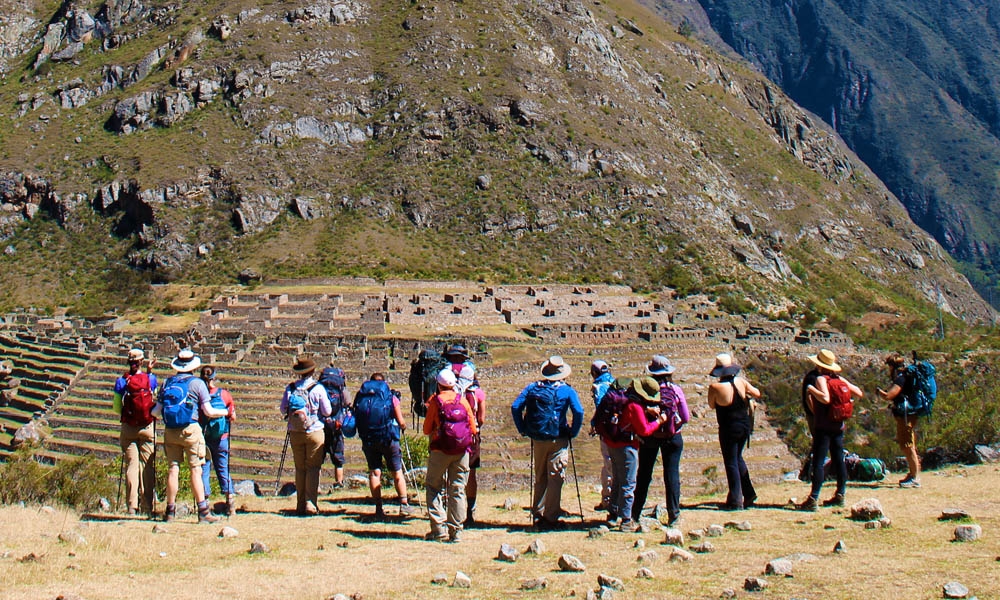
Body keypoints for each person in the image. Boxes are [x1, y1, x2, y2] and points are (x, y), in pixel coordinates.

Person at [511, 355, 584, 529]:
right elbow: (579, 412)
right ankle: (551, 517)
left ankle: (537, 513)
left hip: (538, 439)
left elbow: (515, 407)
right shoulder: (567, 390)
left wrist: (523, 429)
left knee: (540, 476)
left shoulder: (532, 387)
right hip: (558, 438)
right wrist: (572, 433)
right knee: (556, 477)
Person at [594, 376, 676, 532]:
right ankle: (626, 520)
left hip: (612, 443)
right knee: (629, 482)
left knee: (618, 478)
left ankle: (613, 514)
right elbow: (644, 430)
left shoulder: (625, 399)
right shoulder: (634, 406)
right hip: (627, 447)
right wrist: (660, 421)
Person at [154, 349, 226, 523]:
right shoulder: (198, 384)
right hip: (191, 429)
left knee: (173, 468)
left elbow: (156, 412)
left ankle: (169, 511)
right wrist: (223, 411)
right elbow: (207, 410)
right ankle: (203, 511)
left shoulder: (167, 383)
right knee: (196, 469)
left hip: (171, 430)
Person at [798, 349, 863, 511]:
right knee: (838, 459)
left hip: (823, 426)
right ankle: (840, 494)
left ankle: (813, 498)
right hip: (838, 425)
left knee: (819, 461)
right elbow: (859, 393)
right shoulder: (839, 379)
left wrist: (811, 390)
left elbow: (825, 398)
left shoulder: (821, 378)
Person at [633, 355, 690, 526]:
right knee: (672, 474)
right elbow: (685, 417)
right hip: (673, 437)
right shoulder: (676, 390)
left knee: (644, 474)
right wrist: (672, 424)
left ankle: (634, 513)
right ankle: (674, 514)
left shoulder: (646, 390)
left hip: (650, 436)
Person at [423, 369, 478, 542]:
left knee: (433, 487)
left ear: (438, 385)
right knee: (458, 489)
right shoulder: (462, 400)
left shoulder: (435, 401)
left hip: (440, 449)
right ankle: (456, 531)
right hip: (461, 451)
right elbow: (473, 428)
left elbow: (426, 429)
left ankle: (439, 529)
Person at [707, 353, 761, 511]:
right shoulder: (741, 382)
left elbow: (712, 405)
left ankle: (736, 500)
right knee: (738, 458)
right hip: (743, 426)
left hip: (727, 427)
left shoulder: (715, 387)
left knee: (731, 462)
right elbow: (757, 393)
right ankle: (749, 493)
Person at [354, 373, 413, 519]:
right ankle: (404, 503)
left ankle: (378, 508)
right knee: (397, 472)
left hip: (368, 438)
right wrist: (403, 426)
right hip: (388, 438)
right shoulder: (390, 397)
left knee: (375, 473)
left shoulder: (361, 396)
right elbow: (401, 421)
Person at [279, 356, 332, 516]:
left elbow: (283, 409)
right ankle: (310, 502)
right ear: (312, 371)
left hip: (295, 432)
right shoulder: (318, 388)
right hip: (314, 431)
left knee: (300, 468)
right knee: (313, 468)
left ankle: (300, 504)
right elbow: (327, 411)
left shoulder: (291, 388)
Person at [112, 348, 158, 516]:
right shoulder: (150, 379)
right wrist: (149, 371)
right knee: (147, 466)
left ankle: (132, 505)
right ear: (141, 362)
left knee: (132, 465)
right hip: (147, 426)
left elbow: (117, 408)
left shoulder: (121, 382)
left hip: (129, 427)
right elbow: (152, 395)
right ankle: (148, 506)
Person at [878, 353, 921, 488]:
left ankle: (915, 478)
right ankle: (913, 474)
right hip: (909, 413)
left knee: (907, 446)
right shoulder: (906, 377)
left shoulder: (901, 379)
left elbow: (890, 395)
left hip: (905, 415)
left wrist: (880, 393)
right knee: (909, 445)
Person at [199, 365, 236, 516]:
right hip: (222, 438)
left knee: (204, 470)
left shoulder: (199, 394)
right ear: (214, 377)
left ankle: (205, 504)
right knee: (223, 469)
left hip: (204, 437)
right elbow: (232, 416)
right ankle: (231, 503)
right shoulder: (224, 394)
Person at [456, 364, 486, 528]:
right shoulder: (478, 393)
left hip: (455, 436)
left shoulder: (453, 391)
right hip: (472, 436)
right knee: (471, 474)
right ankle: (470, 512)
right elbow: (481, 419)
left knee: (454, 472)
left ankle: (454, 512)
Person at [318, 362, 349, 489]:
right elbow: (348, 403)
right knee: (338, 457)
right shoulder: (341, 387)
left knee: (317, 458)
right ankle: (339, 483)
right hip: (336, 426)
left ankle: (316, 486)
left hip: (320, 426)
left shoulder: (318, 387)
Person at [590, 360, 615, 511]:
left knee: (609, 464)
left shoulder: (598, 387)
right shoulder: (615, 383)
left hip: (607, 431)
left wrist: (594, 424)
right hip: (622, 430)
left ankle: (609, 500)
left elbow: (601, 408)